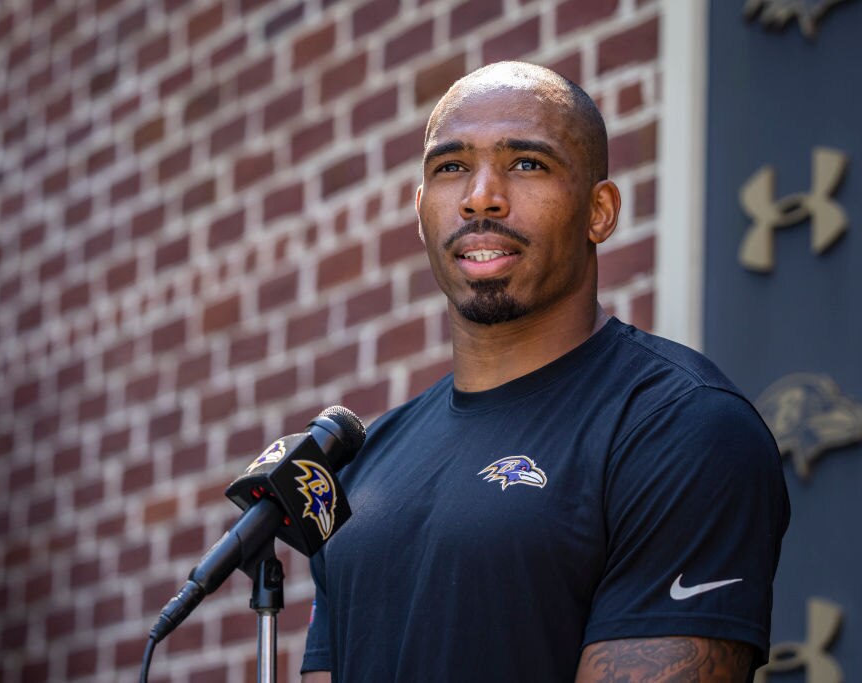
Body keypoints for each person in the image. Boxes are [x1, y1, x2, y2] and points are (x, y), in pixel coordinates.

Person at [299, 62, 789, 682]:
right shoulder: (363, 466)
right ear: (421, 210)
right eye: (450, 168)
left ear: (599, 211)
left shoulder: (682, 427)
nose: (481, 196)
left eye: (527, 163)